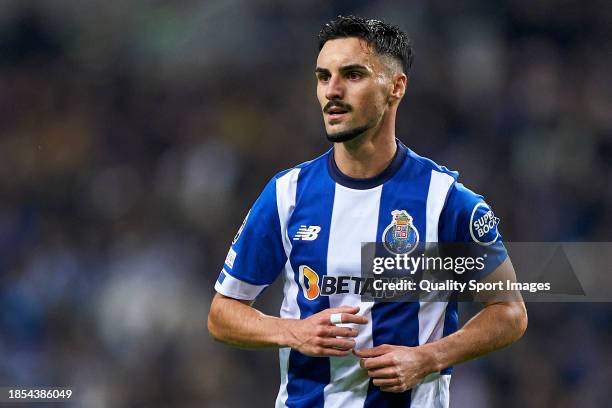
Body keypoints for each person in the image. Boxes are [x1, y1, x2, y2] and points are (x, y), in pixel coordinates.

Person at [208, 15, 527, 408]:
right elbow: (223, 313)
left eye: (352, 75)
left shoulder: (445, 200)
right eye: (323, 77)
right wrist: (292, 332)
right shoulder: (287, 194)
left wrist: (428, 357)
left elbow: (509, 312)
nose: (333, 91)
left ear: (396, 87)